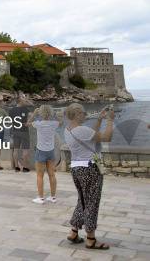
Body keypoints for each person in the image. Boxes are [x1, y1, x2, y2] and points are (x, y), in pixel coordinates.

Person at [64, 103, 114, 250]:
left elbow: (92, 136)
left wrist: (99, 119)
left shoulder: (68, 130)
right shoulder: (81, 130)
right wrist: (110, 120)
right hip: (90, 169)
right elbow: (106, 137)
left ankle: (73, 231)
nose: (86, 115)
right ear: (77, 114)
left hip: (76, 168)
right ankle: (91, 239)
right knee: (92, 201)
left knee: (83, 200)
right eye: (84, 113)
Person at [27, 105, 62, 203]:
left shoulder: (38, 124)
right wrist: (54, 113)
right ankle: (53, 197)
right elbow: (61, 122)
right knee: (52, 175)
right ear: (50, 113)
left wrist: (34, 113)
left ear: (40, 114)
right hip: (50, 151)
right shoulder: (54, 124)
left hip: (40, 151)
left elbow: (28, 123)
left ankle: (41, 198)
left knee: (39, 175)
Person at [9, 96, 32, 172]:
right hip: (24, 132)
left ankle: (17, 167)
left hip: (15, 131)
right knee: (25, 150)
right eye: (24, 100)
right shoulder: (26, 110)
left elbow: (11, 122)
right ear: (20, 101)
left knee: (16, 150)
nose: (25, 100)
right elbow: (29, 122)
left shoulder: (11, 110)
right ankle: (25, 168)